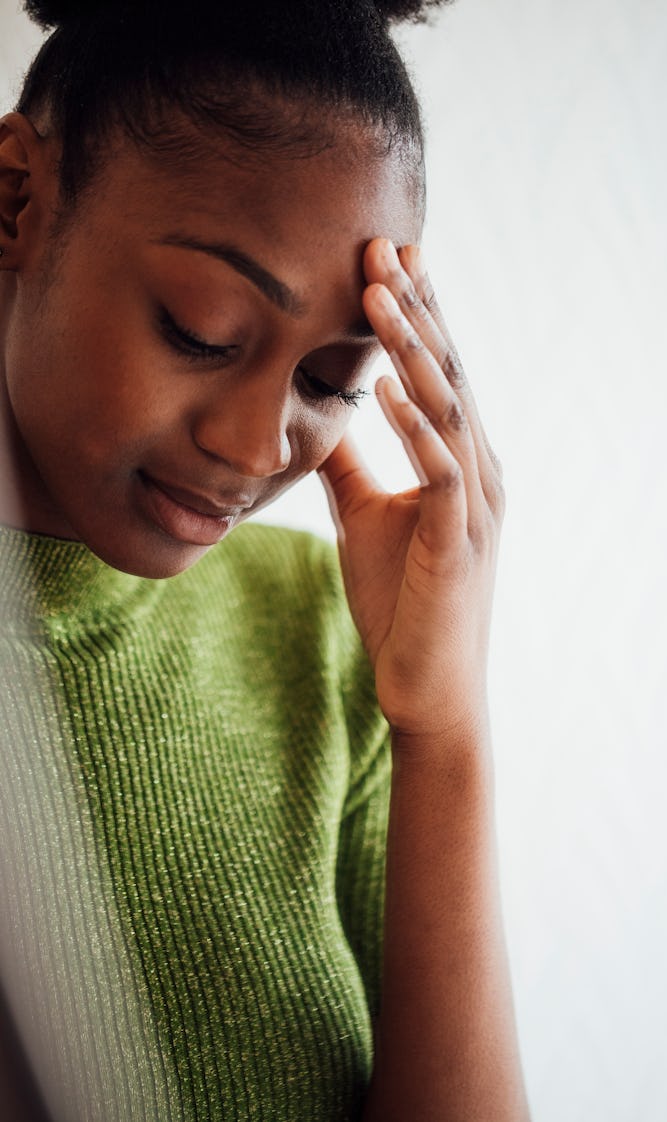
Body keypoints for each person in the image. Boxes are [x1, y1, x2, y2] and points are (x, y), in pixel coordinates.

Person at [0, 0, 529, 1118]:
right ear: (14, 199)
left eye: (331, 382)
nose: (253, 451)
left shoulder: (319, 630)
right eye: (200, 330)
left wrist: (443, 728)